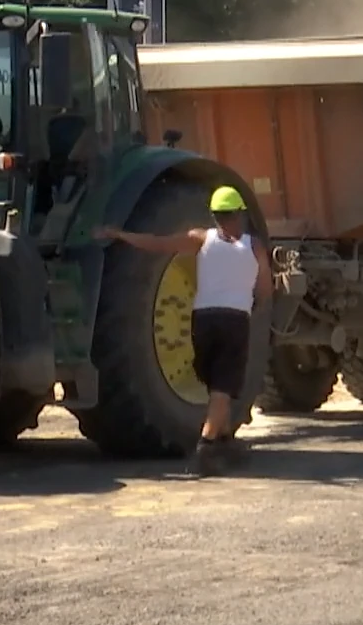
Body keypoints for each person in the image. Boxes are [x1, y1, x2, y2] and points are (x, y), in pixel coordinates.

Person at [94, 184, 272, 475]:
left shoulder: (200, 239)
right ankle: (207, 446)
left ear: (215, 216)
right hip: (234, 321)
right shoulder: (254, 246)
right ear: (240, 214)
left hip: (202, 320)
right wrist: (257, 303)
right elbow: (265, 287)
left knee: (214, 381)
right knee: (223, 387)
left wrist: (120, 235)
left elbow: (158, 244)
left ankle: (226, 441)